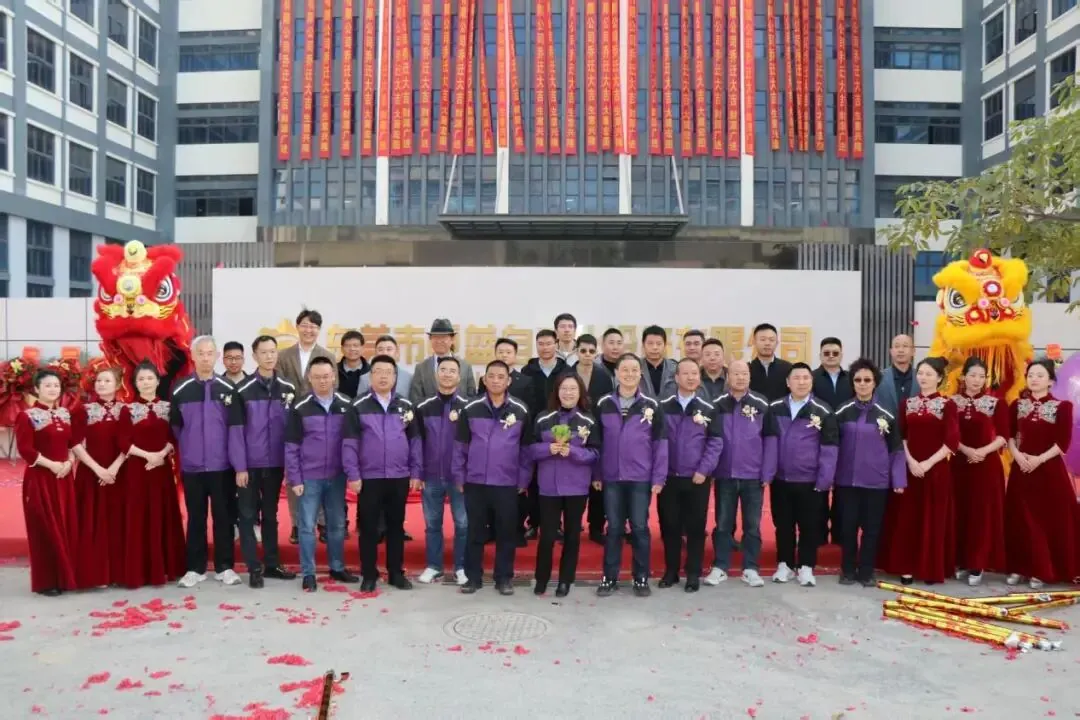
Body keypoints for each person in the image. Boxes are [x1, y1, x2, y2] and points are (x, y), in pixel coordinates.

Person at [343, 355, 422, 593]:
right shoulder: (358, 406)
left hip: (398, 476)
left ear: (396, 377)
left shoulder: (406, 407)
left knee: (396, 527)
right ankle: (369, 573)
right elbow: (349, 443)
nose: (384, 376)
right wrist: (353, 474)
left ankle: (396, 572)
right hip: (370, 476)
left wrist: (416, 472)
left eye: (389, 371)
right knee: (368, 528)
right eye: (378, 371)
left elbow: (416, 441)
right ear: (371, 376)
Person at [454, 361, 533, 595]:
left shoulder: (521, 409)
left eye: (501, 376)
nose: (496, 380)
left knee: (506, 532)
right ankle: (473, 578)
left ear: (509, 381)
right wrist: (459, 476)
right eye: (492, 376)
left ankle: (504, 578)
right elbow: (460, 447)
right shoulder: (471, 408)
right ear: (484, 380)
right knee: (475, 532)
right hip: (475, 482)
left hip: (506, 483)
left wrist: (523, 480)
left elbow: (526, 450)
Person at [170, 336, 243, 588]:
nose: (205, 357)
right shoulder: (180, 389)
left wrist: (236, 464)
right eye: (200, 353)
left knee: (223, 517)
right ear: (193, 356)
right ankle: (195, 568)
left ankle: (225, 567)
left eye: (210, 353)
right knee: (196, 517)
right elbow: (177, 428)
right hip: (193, 467)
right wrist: (191, 450)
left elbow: (235, 430)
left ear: (216, 356)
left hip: (222, 467)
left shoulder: (228, 389)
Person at [879, 357, 959, 585]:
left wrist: (927, 464)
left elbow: (951, 442)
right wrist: (912, 461)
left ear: (940, 378)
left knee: (932, 519)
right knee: (908, 518)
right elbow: (902, 436)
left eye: (929, 374)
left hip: (936, 471)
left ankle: (929, 568)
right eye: (920, 373)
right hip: (909, 469)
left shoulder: (948, 405)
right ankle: (906, 567)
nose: (923, 378)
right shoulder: (907, 403)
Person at [594, 354, 668, 598]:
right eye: (624, 370)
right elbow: (596, 443)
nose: (629, 374)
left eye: (634, 370)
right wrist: (597, 473)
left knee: (639, 528)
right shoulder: (603, 403)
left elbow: (660, 445)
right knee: (614, 528)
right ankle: (609, 577)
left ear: (640, 374)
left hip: (640, 478)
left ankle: (641, 577)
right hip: (612, 478)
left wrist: (658, 478)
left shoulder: (651, 406)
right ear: (616, 374)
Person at [228, 335, 298, 588]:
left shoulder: (288, 389)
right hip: (249, 465)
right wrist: (240, 466)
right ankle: (253, 567)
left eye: (273, 351)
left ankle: (271, 564)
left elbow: (292, 432)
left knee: (271, 515)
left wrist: (291, 465)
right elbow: (235, 432)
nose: (269, 356)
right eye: (264, 352)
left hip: (276, 464)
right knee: (247, 516)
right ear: (255, 356)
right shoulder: (242, 391)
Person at [285, 356, 360, 592]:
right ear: (309, 378)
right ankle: (308, 573)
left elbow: (353, 442)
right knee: (306, 526)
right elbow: (291, 446)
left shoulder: (346, 405)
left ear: (334, 377)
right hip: (309, 477)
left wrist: (351, 473)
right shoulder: (300, 408)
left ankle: (337, 567)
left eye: (327, 376)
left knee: (337, 525)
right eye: (317, 377)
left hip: (336, 476)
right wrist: (295, 478)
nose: (322, 381)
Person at [703, 360, 777, 588]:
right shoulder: (716, 404)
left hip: (753, 475)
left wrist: (767, 472)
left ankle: (751, 567)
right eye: (735, 373)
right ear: (728, 376)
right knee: (723, 523)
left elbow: (771, 441)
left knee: (752, 525)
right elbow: (709, 439)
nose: (740, 377)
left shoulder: (761, 404)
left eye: (744, 373)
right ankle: (720, 566)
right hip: (725, 474)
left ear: (749, 377)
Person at [833, 358, 905, 587]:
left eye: (867, 380)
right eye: (858, 380)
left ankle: (866, 571)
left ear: (875, 383)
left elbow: (896, 449)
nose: (862, 384)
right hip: (847, 481)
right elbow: (831, 447)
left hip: (877, 482)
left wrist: (898, 479)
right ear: (852, 383)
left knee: (872, 529)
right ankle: (847, 570)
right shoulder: (841, 412)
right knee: (848, 528)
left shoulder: (887, 414)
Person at [1004, 359, 1076, 588]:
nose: (1034, 379)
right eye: (1031, 375)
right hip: (1021, 469)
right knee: (1019, 519)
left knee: (1045, 520)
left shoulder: (1063, 407)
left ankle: (1041, 570)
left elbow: (1062, 443)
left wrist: (1038, 460)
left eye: (1040, 375)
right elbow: (1010, 436)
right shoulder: (1017, 405)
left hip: (1049, 471)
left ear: (1051, 381)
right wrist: (1017, 455)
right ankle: (1019, 567)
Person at [527, 373, 600, 597]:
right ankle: (542, 578)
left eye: (573, 389)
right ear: (557, 392)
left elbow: (596, 453)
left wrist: (574, 452)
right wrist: (546, 450)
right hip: (548, 487)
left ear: (580, 393)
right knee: (547, 535)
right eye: (564, 389)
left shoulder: (588, 420)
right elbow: (528, 449)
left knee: (571, 535)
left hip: (576, 487)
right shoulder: (542, 418)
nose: (568, 393)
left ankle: (565, 580)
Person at [769, 362, 839, 588]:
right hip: (781, 479)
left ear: (811, 382)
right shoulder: (775, 408)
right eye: (796, 378)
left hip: (811, 481)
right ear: (788, 382)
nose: (801, 382)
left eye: (805, 378)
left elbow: (830, 448)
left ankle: (807, 566)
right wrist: (768, 473)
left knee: (809, 525)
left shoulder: (823, 410)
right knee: (783, 524)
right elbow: (769, 444)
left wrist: (824, 480)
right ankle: (785, 564)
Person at [117, 362, 186, 589]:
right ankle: (139, 572)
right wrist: (148, 456)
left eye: (149, 378)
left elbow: (175, 437)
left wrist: (161, 454)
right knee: (138, 518)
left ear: (158, 381)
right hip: (137, 471)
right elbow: (123, 442)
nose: (145, 383)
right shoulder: (127, 410)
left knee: (162, 514)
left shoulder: (168, 407)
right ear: (135, 384)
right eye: (140, 380)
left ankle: (166, 568)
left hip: (161, 471)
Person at [658, 359, 724, 592]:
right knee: (670, 526)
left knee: (696, 528)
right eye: (685, 373)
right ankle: (671, 571)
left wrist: (703, 470)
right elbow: (657, 442)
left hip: (697, 478)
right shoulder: (663, 406)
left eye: (694, 373)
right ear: (676, 378)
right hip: (669, 478)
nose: (690, 377)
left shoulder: (708, 409)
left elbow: (715, 443)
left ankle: (693, 573)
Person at [15, 370, 78, 596]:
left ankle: (66, 577)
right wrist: (52, 465)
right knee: (45, 529)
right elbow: (26, 450)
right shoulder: (27, 416)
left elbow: (71, 444)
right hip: (41, 478)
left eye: (56, 386)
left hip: (64, 478)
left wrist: (70, 462)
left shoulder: (64, 414)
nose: (53, 389)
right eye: (48, 385)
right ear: (37, 389)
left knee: (66, 526)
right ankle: (47, 581)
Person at [278, 309, 337, 545]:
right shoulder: (284, 356)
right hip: (293, 420)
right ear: (297, 327)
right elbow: (282, 388)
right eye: (304, 325)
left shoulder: (327, 355)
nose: (308, 329)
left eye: (313, 326)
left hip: (321, 422)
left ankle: (322, 523)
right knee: (295, 475)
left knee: (322, 472)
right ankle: (297, 523)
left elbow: (333, 387)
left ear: (319, 330)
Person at [951, 357, 1008, 586]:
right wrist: (966, 450)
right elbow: (948, 435)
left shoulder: (996, 403)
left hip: (986, 466)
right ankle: (961, 560)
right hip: (959, 465)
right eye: (972, 375)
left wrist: (982, 451)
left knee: (981, 515)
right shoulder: (951, 402)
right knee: (960, 511)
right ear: (963, 377)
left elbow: (1004, 435)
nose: (976, 380)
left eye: (981, 376)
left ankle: (978, 562)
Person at [414, 357, 470, 586]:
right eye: (443, 370)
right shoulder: (423, 407)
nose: (447, 374)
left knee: (463, 523)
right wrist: (418, 473)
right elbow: (417, 443)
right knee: (433, 523)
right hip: (431, 476)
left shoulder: (469, 407)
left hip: (460, 478)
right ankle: (434, 566)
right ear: (436, 375)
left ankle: (462, 566)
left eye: (452, 371)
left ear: (460, 376)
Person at [71, 366, 127, 589]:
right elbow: (75, 443)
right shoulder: (83, 410)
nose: (101, 384)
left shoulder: (126, 410)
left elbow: (129, 443)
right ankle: (94, 574)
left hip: (119, 474)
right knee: (92, 522)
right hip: (90, 474)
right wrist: (97, 469)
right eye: (99, 381)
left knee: (117, 522)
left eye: (107, 381)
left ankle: (117, 572)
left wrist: (113, 469)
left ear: (118, 384)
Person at [520, 330, 569, 540]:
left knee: (555, 478)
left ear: (555, 345)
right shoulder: (527, 370)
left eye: (549, 343)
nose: (545, 347)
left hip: (559, 429)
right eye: (541, 343)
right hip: (533, 429)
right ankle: (533, 523)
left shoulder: (565, 370)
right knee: (532, 480)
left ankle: (555, 524)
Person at [575, 333, 614, 545]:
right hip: (573, 431)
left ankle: (596, 526)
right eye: (583, 350)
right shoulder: (567, 373)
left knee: (598, 483)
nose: (587, 355)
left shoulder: (604, 376)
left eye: (591, 351)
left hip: (599, 431)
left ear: (596, 352)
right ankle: (571, 524)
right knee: (575, 480)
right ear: (576, 351)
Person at [409, 318, 478, 405]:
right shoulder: (421, 368)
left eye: (443, 337)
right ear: (430, 339)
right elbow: (415, 399)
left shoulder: (465, 366)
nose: (439, 341)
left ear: (452, 339)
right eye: (435, 337)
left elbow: (472, 398)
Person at [748, 323, 793, 402]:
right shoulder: (747, 369)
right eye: (763, 339)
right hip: (754, 413)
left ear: (777, 343)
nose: (767, 343)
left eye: (771, 340)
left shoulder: (788, 368)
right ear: (754, 342)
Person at [876, 334, 918, 416]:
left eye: (905, 346)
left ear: (913, 351)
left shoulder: (921, 378)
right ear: (891, 351)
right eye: (897, 346)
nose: (900, 350)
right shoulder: (878, 377)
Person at [639, 326, 677, 399]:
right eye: (650, 343)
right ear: (643, 345)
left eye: (659, 344)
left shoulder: (675, 368)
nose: (655, 347)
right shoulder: (635, 368)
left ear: (665, 346)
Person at [336, 330, 370, 398]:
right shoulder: (334, 370)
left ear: (363, 348)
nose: (352, 349)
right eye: (348, 346)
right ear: (342, 349)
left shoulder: (371, 371)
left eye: (356, 345)